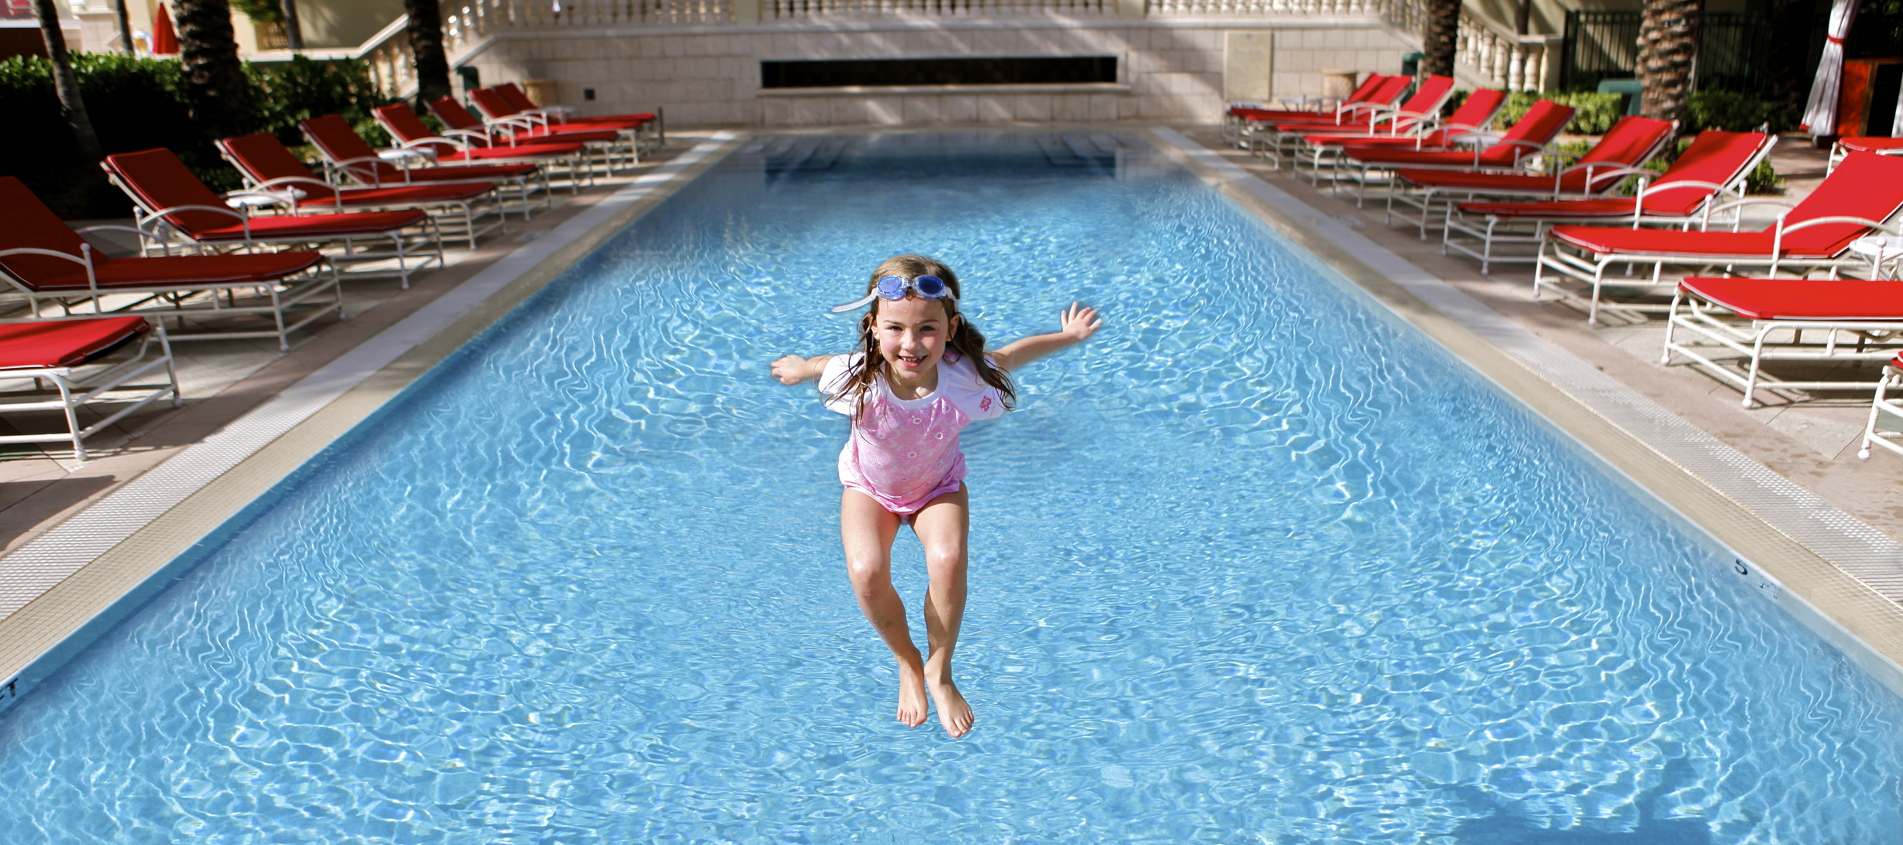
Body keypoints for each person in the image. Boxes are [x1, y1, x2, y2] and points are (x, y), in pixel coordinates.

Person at [771, 255, 1102, 738]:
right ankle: (907, 662)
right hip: (870, 488)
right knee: (865, 573)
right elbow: (826, 364)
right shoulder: (856, 376)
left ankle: (939, 671)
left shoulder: (965, 376)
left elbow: (1010, 355)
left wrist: (1067, 338)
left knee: (948, 560)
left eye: (927, 328)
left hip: (937, 486)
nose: (910, 343)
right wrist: (803, 368)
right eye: (895, 328)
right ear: (873, 328)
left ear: (951, 328)